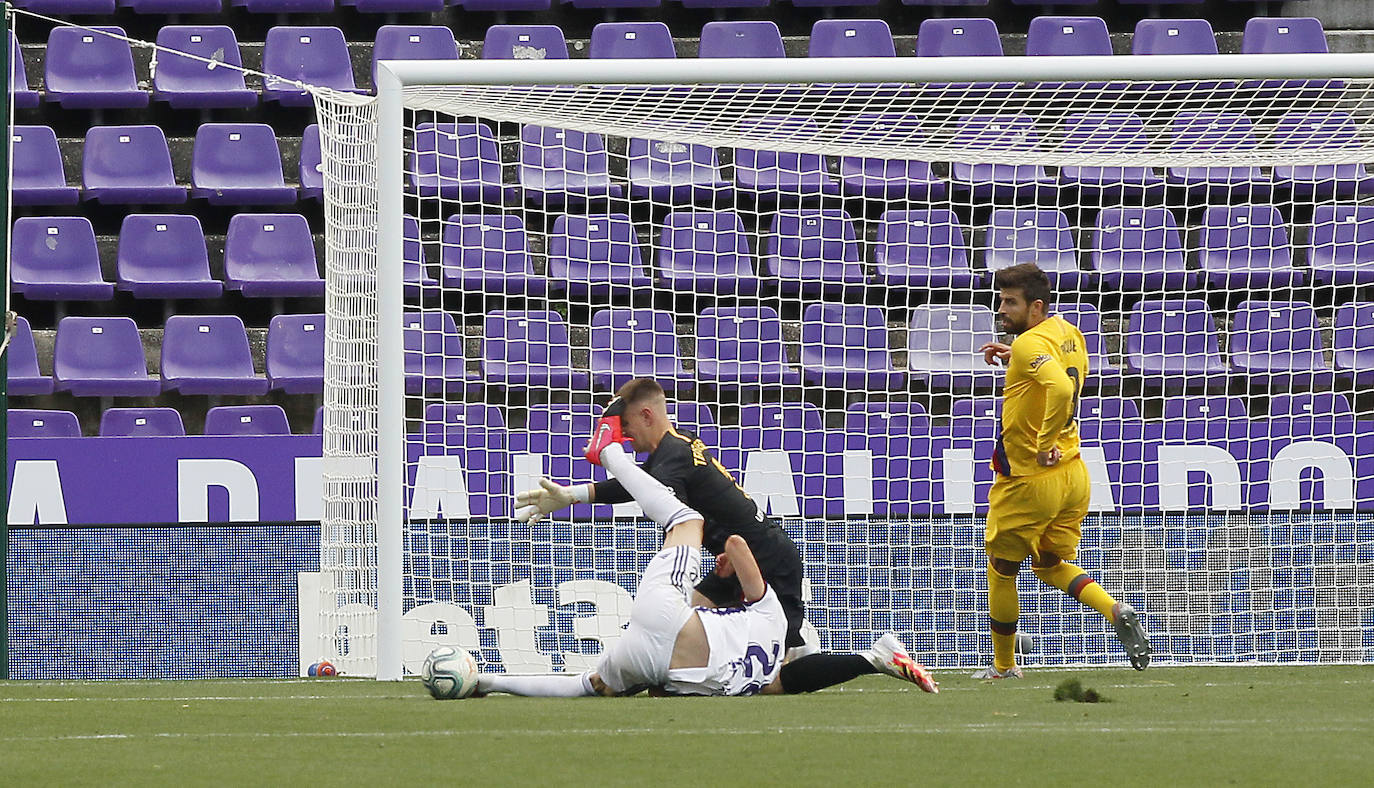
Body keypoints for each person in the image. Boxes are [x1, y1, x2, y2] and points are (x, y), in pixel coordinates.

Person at [515, 378, 937, 695]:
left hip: (762, 561)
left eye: (627, 429)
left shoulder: (671, 456)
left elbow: (652, 493)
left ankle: (874, 656)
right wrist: (573, 495)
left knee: (776, 679)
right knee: (685, 624)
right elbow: (642, 484)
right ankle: (794, 648)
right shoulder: (676, 449)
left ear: (647, 416)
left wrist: (591, 477)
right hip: (735, 560)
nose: (627, 439)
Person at [476, 439, 788, 697]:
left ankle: (609, 452)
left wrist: (729, 562)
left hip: (669, 617)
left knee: (687, 521)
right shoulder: (758, 678)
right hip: (666, 666)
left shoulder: (772, 616)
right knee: (590, 685)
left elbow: (736, 543)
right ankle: (486, 682)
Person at [973, 262, 1151, 679]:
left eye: (1011, 303)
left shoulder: (1027, 345)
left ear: (1036, 307)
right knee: (1050, 563)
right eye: (1001, 301)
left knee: (1001, 569)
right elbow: (1055, 374)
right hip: (1073, 475)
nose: (1002, 310)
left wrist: (1042, 442)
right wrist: (1016, 362)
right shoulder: (1070, 334)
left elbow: (1059, 386)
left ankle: (1003, 667)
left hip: (1031, 480)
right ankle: (1114, 609)